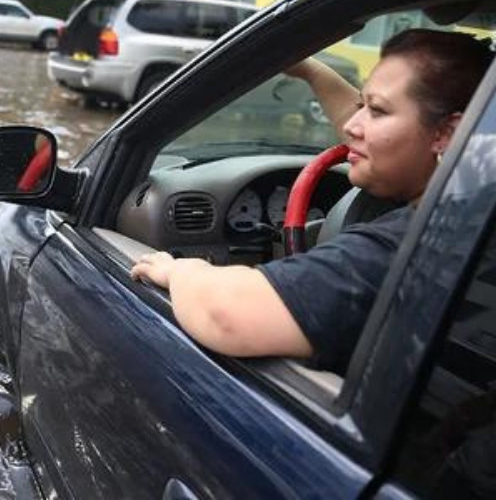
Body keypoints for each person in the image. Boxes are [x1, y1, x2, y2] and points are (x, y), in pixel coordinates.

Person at [131, 29, 495, 374]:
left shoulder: (413, 246)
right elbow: (390, 137)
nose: (353, 125)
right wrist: (309, 70)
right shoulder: (478, 217)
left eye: (377, 111)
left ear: (447, 132)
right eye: (361, 105)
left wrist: (180, 270)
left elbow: (225, 316)